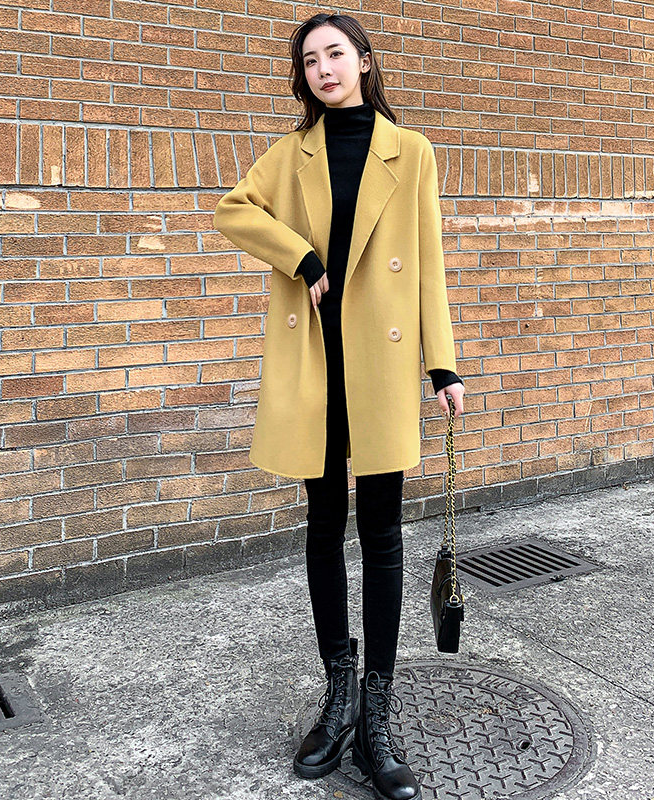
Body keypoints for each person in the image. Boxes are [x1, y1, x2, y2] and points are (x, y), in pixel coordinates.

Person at [214, 13, 464, 800]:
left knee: (382, 534)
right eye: (309, 60)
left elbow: (428, 262)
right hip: (315, 366)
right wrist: (300, 255)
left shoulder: (411, 150)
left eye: (335, 53)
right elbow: (233, 208)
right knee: (324, 527)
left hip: (381, 366)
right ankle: (340, 697)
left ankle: (377, 715)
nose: (323, 68)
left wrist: (442, 364)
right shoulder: (292, 154)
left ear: (364, 61)